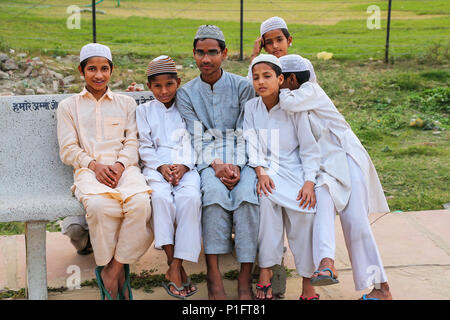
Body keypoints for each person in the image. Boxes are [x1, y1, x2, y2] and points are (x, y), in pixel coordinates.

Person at [278, 54, 393, 300]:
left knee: (356, 223)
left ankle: (381, 287)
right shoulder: (295, 99)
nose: (276, 83)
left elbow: (287, 103)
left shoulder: (309, 91)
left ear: (290, 79)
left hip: (346, 157)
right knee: (320, 207)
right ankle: (326, 263)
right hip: (324, 169)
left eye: (279, 78)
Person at [56, 43, 153, 300]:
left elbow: (133, 142)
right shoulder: (68, 106)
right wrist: (95, 166)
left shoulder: (126, 104)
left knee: (142, 205)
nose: (98, 75)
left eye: (104, 69)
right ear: (81, 70)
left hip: (125, 169)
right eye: (92, 69)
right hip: (88, 171)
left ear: (112, 70)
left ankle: (113, 270)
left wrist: (120, 165)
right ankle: (118, 277)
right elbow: (68, 149)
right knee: (100, 207)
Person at [176, 25, 259, 300]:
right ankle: (214, 275)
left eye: (213, 52)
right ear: (194, 54)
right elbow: (195, 137)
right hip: (207, 160)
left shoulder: (242, 87)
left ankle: (245, 276)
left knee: (248, 195)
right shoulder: (186, 93)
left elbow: (247, 131)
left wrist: (233, 164)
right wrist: (217, 164)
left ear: (224, 53)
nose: (206, 59)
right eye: (200, 53)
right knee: (211, 194)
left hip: (243, 158)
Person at [244, 54, 321, 300]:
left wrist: (309, 181)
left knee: (305, 215)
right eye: (256, 77)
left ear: (280, 79)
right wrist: (260, 172)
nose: (260, 82)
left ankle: (308, 284)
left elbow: (309, 148)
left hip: (295, 170)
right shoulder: (251, 107)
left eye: (267, 76)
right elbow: (251, 143)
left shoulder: (293, 108)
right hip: (267, 171)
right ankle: (265, 272)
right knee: (266, 207)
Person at [136, 55, 202, 299]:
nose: (164, 91)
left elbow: (195, 139)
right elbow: (143, 145)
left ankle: (174, 268)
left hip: (187, 166)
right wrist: (161, 166)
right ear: (149, 86)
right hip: (156, 168)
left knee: (190, 200)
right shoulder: (143, 111)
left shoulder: (187, 107)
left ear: (179, 83)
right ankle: (177, 266)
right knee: (161, 199)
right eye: (157, 86)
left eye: (169, 85)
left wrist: (183, 165)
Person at [248, 16, 317, 83]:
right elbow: (250, 88)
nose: (275, 46)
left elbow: (313, 90)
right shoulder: (263, 68)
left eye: (279, 40)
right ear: (264, 47)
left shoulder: (303, 64)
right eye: (269, 42)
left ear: (289, 40)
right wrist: (255, 55)